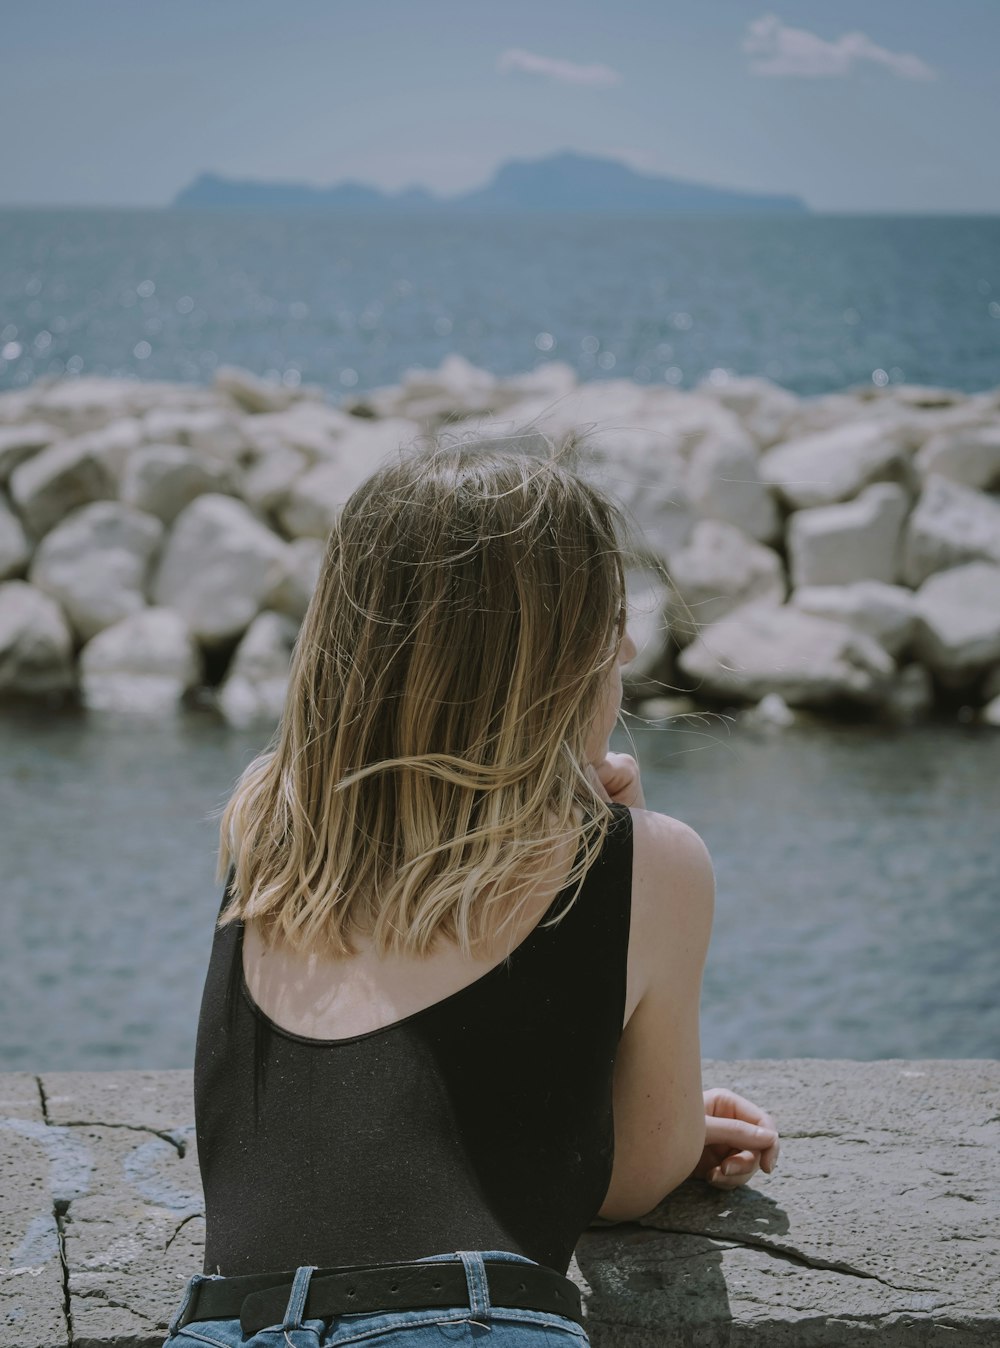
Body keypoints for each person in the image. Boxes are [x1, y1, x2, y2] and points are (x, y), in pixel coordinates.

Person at [163, 444, 779, 1348]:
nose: (634, 645)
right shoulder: (655, 862)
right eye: (610, 618)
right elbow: (629, 1180)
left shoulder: (272, 821)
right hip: (470, 1320)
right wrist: (624, 838)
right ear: (556, 658)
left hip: (228, 1327)